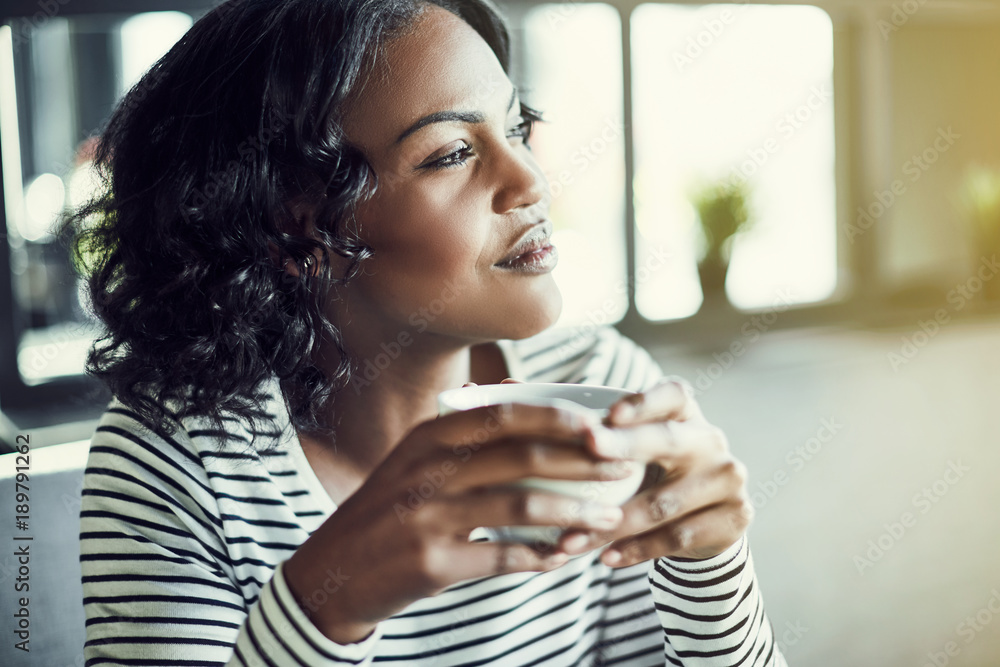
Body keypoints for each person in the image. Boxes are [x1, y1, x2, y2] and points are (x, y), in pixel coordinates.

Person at [66, 0, 787, 664]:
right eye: (450, 153)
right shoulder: (172, 459)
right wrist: (325, 604)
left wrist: (710, 568)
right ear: (297, 227)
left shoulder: (603, 386)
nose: (528, 177)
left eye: (513, 127)